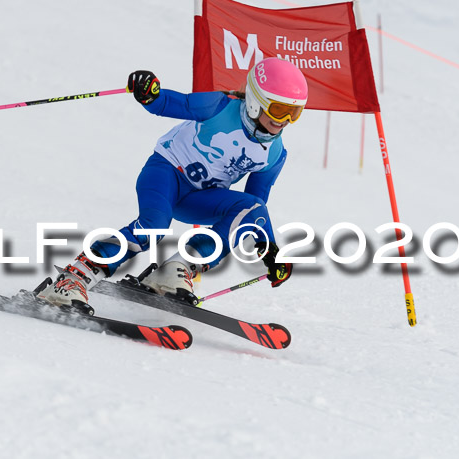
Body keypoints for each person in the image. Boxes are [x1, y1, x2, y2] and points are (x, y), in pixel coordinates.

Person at [37, 57, 306, 313]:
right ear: (255, 102)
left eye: (294, 113)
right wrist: (149, 93)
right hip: (166, 172)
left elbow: (253, 207)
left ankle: (176, 269)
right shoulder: (220, 106)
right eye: (279, 109)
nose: (284, 120)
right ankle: (73, 279)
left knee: (251, 208)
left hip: (200, 198)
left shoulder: (275, 154)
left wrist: (269, 249)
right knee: (154, 226)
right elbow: (170, 104)